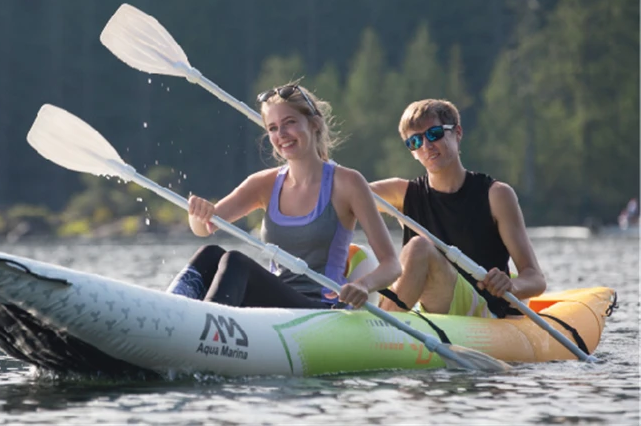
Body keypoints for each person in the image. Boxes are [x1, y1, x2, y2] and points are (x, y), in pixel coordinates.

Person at [166, 82, 402, 310]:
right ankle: (171, 312)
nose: (282, 134)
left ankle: (205, 328)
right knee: (211, 255)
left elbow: (392, 264)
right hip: (275, 305)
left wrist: (363, 285)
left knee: (236, 262)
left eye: (290, 123)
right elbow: (204, 228)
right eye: (273, 128)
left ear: (314, 124)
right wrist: (198, 214)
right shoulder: (263, 184)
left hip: (320, 308)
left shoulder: (348, 183)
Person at [370, 99, 546, 318]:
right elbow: (343, 194)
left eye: (434, 134)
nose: (426, 146)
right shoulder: (401, 193)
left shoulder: (496, 195)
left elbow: (535, 278)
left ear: (457, 133)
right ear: (412, 151)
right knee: (355, 254)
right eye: (415, 141)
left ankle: (382, 326)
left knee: (419, 248)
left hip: (484, 309)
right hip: (438, 306)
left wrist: (511, 286)